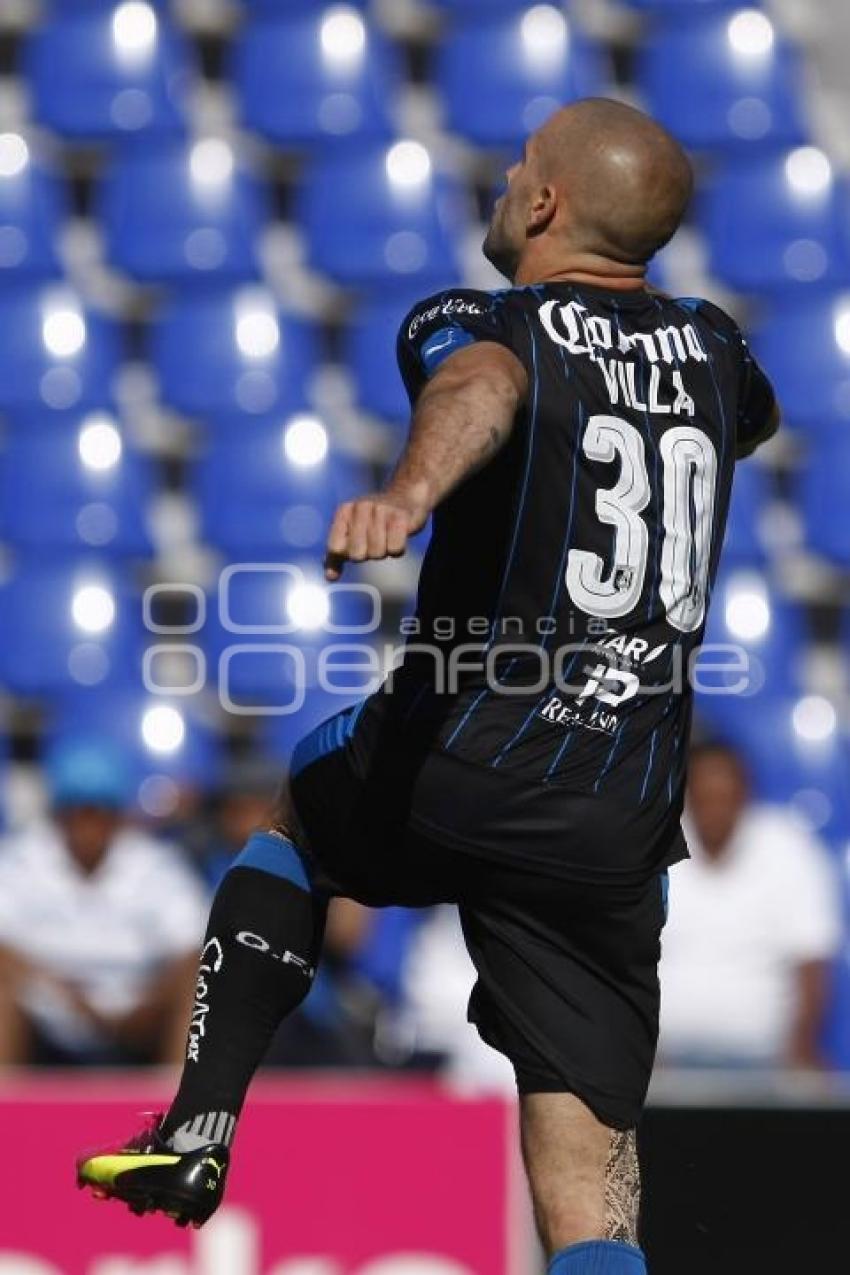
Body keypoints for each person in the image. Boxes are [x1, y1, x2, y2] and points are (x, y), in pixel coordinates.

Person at [78, 97, 779, 1274]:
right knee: (589, 1174)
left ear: (547, 202)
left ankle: (197, 1128)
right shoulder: (719, 353)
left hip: (467, 751)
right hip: (615, 819)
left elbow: (483, 388)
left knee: (297, 821)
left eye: (520, 169)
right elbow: (741, 421)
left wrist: (410, 495)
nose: (505, 179)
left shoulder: (479, 319)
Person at [0, 738, 208, 1066]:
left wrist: (150, 1001)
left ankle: (178, 1113)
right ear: (59, 815)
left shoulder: (155, 864)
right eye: (77, 813)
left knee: (198, 989)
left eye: (99, 813)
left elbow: (192, 949)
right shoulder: (20, 860)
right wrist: (61, 995)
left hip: (139, 1014)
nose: (88, 827)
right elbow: (4, 949)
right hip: (44, 1014)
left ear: (117, 817)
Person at [658, 741, 841, 1069]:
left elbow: (812, 961)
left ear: (746, 796)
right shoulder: (652, 851)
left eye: (725, 798)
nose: (716, 809)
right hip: (661, 1061)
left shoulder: (788, 849)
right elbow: (625, 959)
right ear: (687, 798)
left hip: (766, 1060)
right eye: (705, 798)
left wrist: (800, 1048)